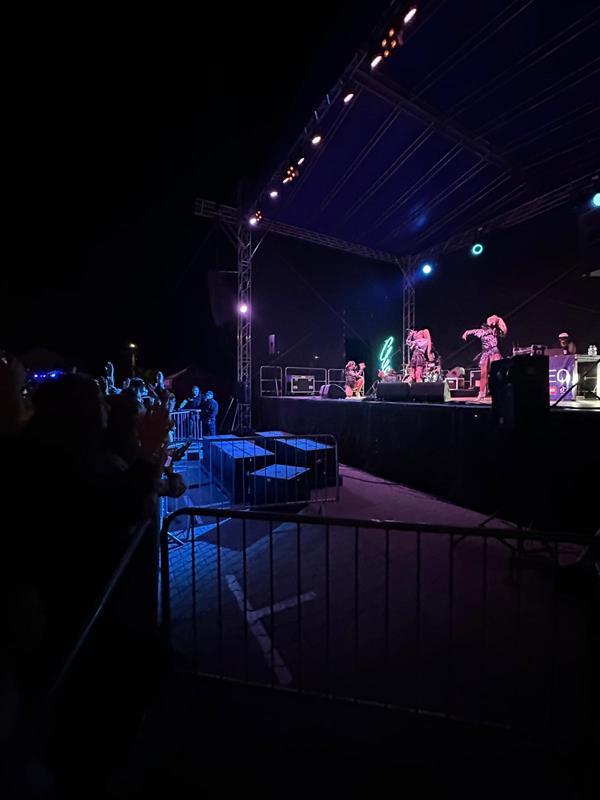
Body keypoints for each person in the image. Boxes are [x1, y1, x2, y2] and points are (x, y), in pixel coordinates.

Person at [462, 314, 508, 401]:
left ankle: (499, 392)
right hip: (485, 353)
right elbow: (471, 331)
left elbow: (504, 330)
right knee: (483, 374)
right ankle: (481, 393)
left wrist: (497, 320)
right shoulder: (480, 332)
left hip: (494, 352)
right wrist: (466, 333)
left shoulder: (495, 331)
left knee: (496, 373)